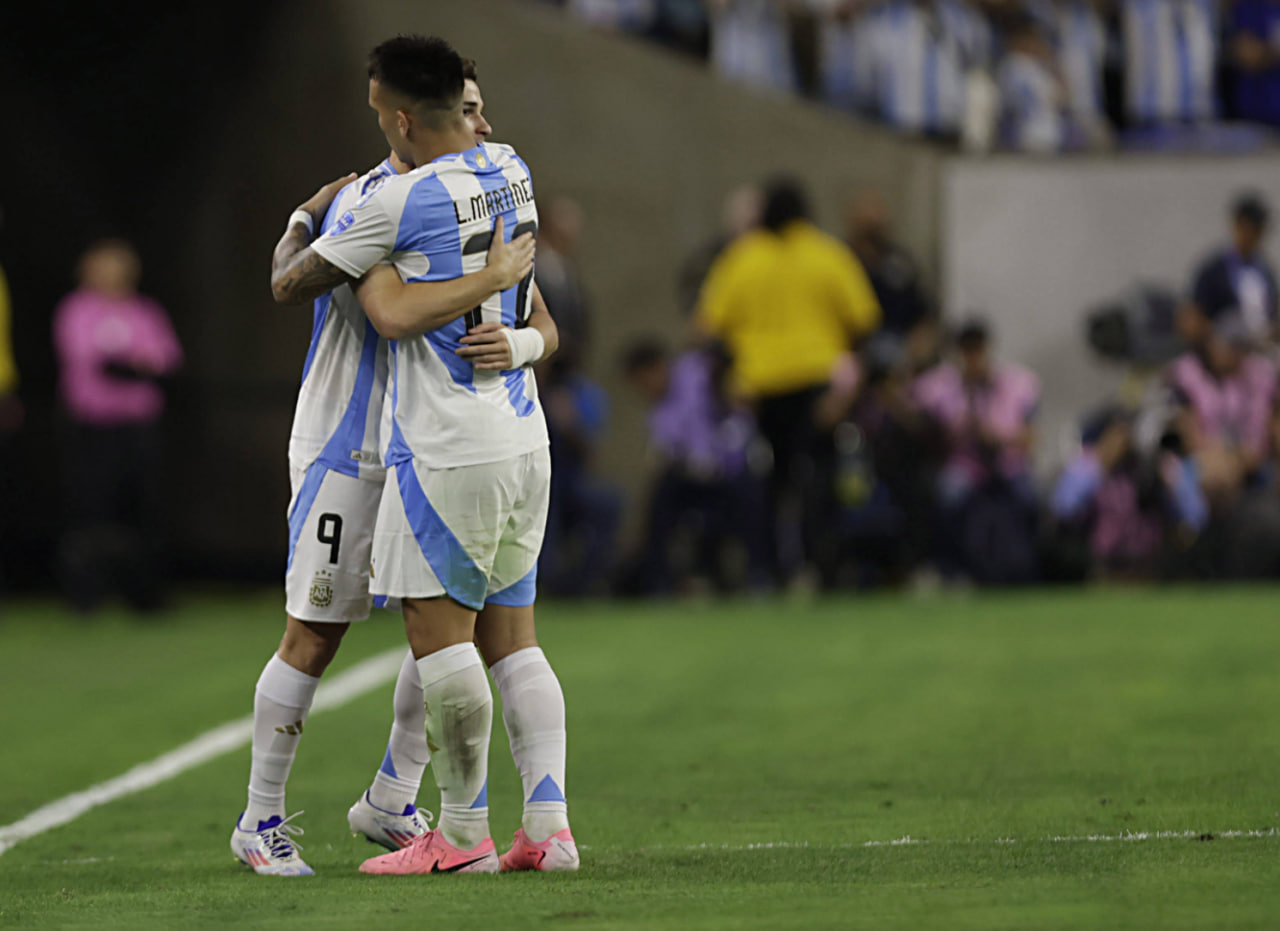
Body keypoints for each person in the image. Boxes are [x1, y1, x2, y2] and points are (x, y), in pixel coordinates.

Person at [231, 56, 557, 876]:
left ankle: (391, 797)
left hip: (431, 444)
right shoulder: (367, 202)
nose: (482, 127)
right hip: (350, 445)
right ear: (414, 118)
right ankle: (259, 818)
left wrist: (517, 338)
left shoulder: (480, 187)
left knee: (438, 625)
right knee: (315, 632)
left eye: (484, 111)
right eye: (469, 112)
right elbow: (315, 291)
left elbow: (536, 312)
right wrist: (301, 217)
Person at [696, 177, 880, 586]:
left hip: (759, 389)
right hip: (818, 384)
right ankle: (823, 567)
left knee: (768, 485)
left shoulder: (742, 258)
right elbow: (864, 321)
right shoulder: (828, 254)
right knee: (818, 479)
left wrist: (729, 377)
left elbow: (707, 328)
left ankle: (768, 570)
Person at [52, 239, 183, 612]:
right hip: (93, 428)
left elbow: (166, 361)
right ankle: (85, 596)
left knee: (143, 511)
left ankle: (145, 596)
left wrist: (129, 366)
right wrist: (134, 366)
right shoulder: (76, 310)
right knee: (92, 512)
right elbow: (91, 361)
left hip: (138, 427)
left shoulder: (145, 311)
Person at [622, 338, 770, 594]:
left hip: (731, 468)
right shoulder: (659, 414)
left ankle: (760, 574)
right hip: (695, 480)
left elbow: (728, 395)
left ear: (656, 367)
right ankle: (659, 582)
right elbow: (672, 454)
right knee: (661, 495)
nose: (644, 389)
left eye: (643, 379)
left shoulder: (696, 370)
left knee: (752, 493)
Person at [912, 319, 1040, 583]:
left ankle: (1025, 569)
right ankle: (952, 569)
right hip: (965, 464)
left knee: (1029, 498)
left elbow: (1030, 438)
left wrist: (995, 436)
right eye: (967, 350)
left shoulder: (1016, 382)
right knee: (948, 496)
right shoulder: (939, 386)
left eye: (977, 349)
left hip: (1007, 463)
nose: (973, 357)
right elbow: (916, 420)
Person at [1181, 193, 1277, 348]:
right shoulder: (1213, 270)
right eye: (1249, 229)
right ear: (1236, 226)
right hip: (1224, 347)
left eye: (1258, 231)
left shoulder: (1264, 271)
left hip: (1261, 346)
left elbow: (1272, 311)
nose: (1253, 237)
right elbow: (1195, 315)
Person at [1227, 0, 1280, 128]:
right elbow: (1246, 55)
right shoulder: (1247, 7)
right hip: (1253, 116)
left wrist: (1264, 49)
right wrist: (1272, 51)